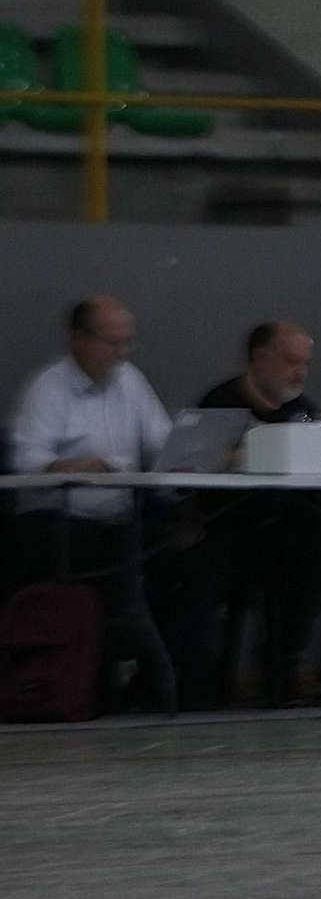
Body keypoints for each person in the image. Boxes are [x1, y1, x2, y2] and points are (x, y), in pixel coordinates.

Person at [7, 298, 177, 712]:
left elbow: (162, 444)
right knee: (125, 573)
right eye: (110, 342)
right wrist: (71, 466)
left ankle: (154, 683)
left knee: (187, 560)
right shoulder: (48, 388)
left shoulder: (130, 381)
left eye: (125, 343)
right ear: (78, 340)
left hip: (120, 518)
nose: (120, 353)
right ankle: (157, 685)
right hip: (60, 521)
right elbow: (26, 461)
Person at [195, 320, 321, 703]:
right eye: (291, 361)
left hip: (287, 532)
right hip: (227, 529)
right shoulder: (220, 405)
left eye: (305, 363)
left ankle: (284, 667)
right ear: (258, 359)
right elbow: (198, 468)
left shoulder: (302, 411)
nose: (299, 372)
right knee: (205, 574)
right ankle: (201, 682)